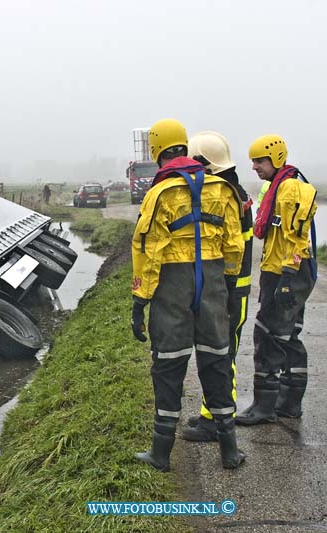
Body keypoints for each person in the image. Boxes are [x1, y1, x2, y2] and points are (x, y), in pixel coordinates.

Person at [131, 118, 245, 471]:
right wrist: (225, 286)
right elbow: (234, 246)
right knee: (216, 364)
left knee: (168, 367)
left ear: (156, 150)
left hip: (172, 290)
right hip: (211, 286)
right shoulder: (223, 190)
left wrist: (140, 301)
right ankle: (229, 450)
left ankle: (161, 453)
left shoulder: (160, 193)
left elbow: (146, 250)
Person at [236, 134, 318, 425]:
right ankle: (289, 403)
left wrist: (287, 277)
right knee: (289, 335)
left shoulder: (290, 189)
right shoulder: (276, 186)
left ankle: (265, 407)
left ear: (276, 158)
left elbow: (299, 237)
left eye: (259, 161)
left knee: (268, 335)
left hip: (287, 273)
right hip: (279, 270)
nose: (255, 167)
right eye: (253, 162)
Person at [182, 131, 254, 441]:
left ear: (204, 164)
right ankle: (210, 414)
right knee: (219, 354)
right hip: (234, 288)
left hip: (230, 289)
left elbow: (229, 250)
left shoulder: (226, 195)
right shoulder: (234, 191)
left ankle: (217, 422)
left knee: (223, 357)